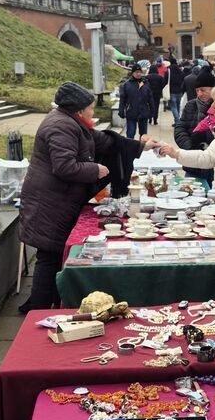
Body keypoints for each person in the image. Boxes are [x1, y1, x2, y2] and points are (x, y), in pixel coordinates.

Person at [19, 83, 153, 311]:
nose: (93, 112)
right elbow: (64, 167)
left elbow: (104, 140)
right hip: (49, 203)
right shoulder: (61, 126)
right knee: (49, 256)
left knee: (53, 254)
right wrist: (96, 170)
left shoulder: (72, 122)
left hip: (58, 200)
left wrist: (140, 147)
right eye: (90, 108)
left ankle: (48, 303)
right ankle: (38, 310)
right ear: (79, 110)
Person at [175, 66, 215, 182]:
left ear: (213, 89)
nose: (199, 93)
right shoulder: (191, 105)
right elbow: (180, 128)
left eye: (203, 90)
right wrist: (190, 146)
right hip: (192, 166)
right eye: (197, 90)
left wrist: (206, 138)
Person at [117, 61, 154, 138]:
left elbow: (150, 98)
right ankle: (130, 149)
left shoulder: (145, 83)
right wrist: (121, 110)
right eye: (136, 72)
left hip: (143, 112)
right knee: (130, 134)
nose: (138, 74)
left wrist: (152, 111)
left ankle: (142, 149)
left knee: (144, 135)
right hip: (131, 112)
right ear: (133, 73)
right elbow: (122, 99)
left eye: (140, 72)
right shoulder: (127, 85)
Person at [146, 59, 167, 125]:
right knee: (156, 106)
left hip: (148, 94)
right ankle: (155, 120)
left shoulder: (147, 77)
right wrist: (160, 88)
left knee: (149, 106)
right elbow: (164, 84)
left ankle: (149, 118)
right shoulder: (160, 77)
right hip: (157, 94)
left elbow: (141, 84)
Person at [167, 55, 185, 124]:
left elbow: (165, 80)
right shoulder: (180, 70)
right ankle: (177, 120)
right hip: (179, 91)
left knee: (173, 106)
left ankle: (177, 120)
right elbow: (183, 79)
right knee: (177, 106)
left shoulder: (169, 71)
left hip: (171, 91)